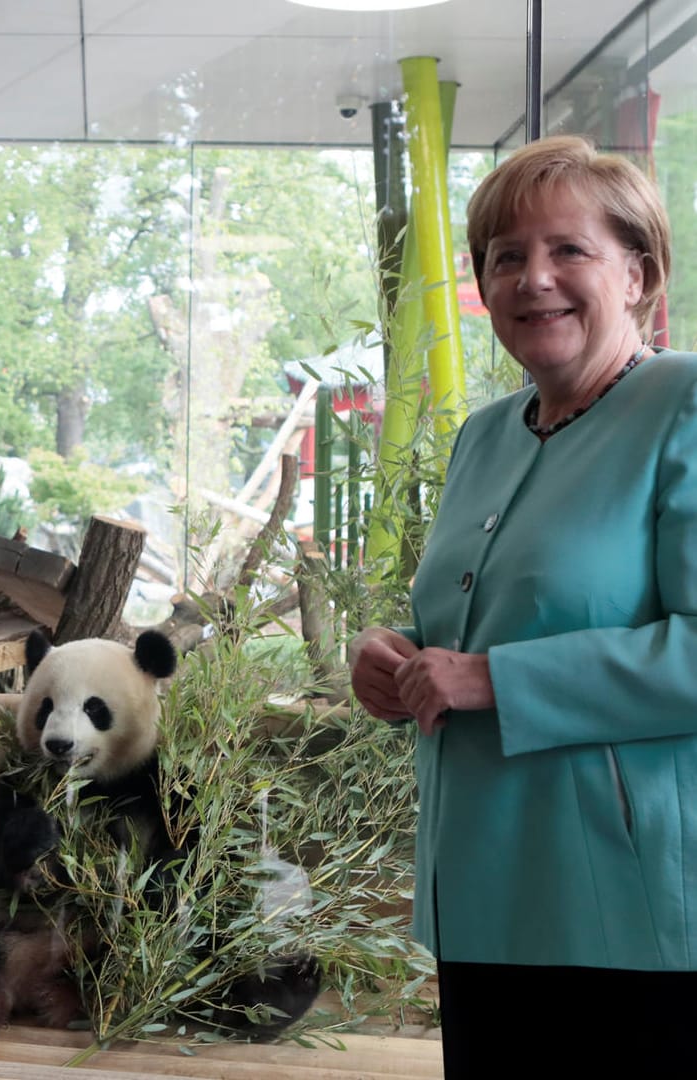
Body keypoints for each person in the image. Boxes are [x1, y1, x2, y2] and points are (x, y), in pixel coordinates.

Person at [348, 134, 697, 1073]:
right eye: (506, 257)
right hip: (480, 890)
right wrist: (396, 654)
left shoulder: (685, 405)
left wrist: (494, 680)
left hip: (628, 911)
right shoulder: (484, 436)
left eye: (567, 250)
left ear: (638, 273)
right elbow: (466, 626)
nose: (533, 278)